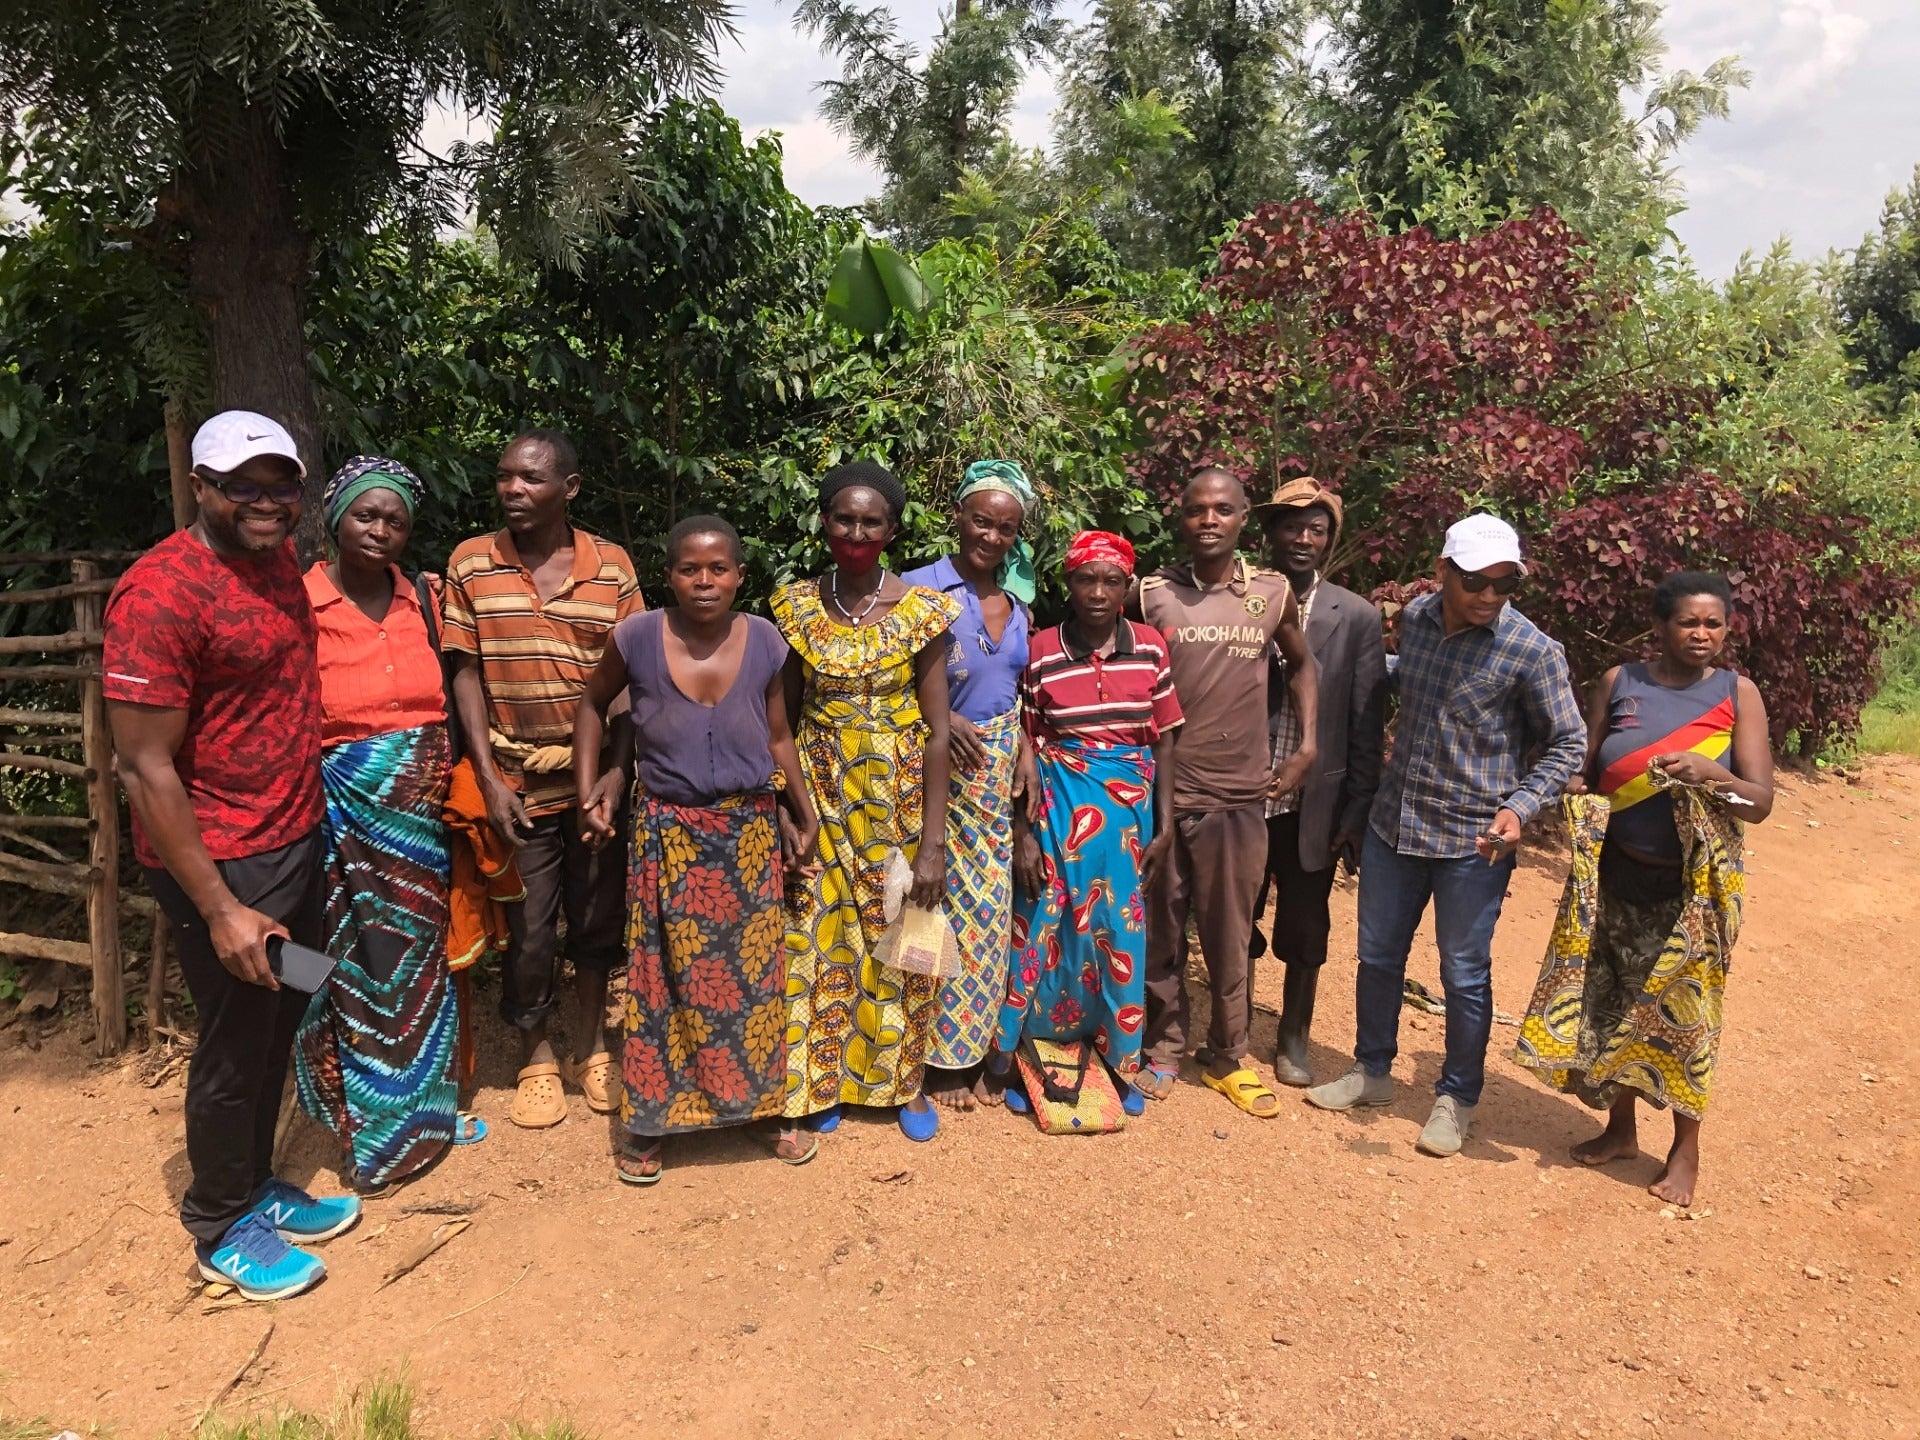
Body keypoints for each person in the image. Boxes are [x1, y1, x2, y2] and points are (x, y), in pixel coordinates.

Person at [105, 410, 360, 1301]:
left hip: (292, 837)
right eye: (240, 486)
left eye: (280, 486)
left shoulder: (276, 559)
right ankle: (219, 1223)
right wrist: (219, 908)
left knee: (284, 1015)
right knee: (234, 1039)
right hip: (222, 863)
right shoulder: (159, 595)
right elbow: (144, 766)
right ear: (199, 487)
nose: (264, 501)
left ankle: (255, 1184)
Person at [1306, 513, 1586, 1158]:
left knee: (1462, 973)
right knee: (1378, 956)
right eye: (1476, 581)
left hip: (1474, 840)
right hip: (1395, 824)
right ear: (1443, 572)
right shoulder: (1419, 618)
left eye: (1504, 584)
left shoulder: (1532, 650)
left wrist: (1521, 807)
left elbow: (1569, 742)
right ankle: (1372, 1071)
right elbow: (1411, 680)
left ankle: (1456, 1098)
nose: (1489, 595)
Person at [573, 516, 821, 1183]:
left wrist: (804, 812)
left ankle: (760, 1109)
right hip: (668, 835)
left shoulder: (765, 639)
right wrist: (588, 789)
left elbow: (778, 736)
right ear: (670, 576)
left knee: (752, 981)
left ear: (739, 575)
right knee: (659, 981)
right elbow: (592, 706)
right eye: (689, 569)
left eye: (718, 569)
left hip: (748, 834)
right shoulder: (636, 637)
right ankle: (651, 1123)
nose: (704, 581)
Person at [1513, 571, 1772, 1207]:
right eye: (1688, 622)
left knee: (1687, 1016)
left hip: (1693, 891)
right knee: (1613, 1001)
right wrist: (1569, 789)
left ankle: (1685, 1149)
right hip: (1615, 874)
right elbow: (1586, 764)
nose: (1702, 634)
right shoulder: (1620, 683)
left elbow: (1760, 803)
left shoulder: (1737, 694)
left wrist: (1712, 774)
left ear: (1727, 627)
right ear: (1660, 626)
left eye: (1714, 623)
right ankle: (1621, 1129)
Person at [440, 429, 644, 1129]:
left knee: (596, 916)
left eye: (530, 478)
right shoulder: (472, 562)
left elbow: (630, 681)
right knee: (527, 928)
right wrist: (488, 778)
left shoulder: (611, 566)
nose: (512, 489)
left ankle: (592, 1043)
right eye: (504, 477)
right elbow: (465, 673)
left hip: (590, 780)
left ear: (570, 488)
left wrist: (615, 774)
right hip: (516, 781)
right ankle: (535, 1049)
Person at [292, 456, 473, 1193]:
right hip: (336, 815)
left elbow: (452, 694)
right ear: (336, 520)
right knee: (344, 963)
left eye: (395, 520)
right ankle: (369, 1129)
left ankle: (429, 1113)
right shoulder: (298, 600)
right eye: (366, 515)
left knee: (419, 959)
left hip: (418, 820)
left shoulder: (423, 598)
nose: (380, 530)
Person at [773, 461, 961, 1144]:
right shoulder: (795, 607)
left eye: (871, 522)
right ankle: (822, 1081)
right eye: (844, 519)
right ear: (824, 523)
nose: (856, 533)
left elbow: (938, 731)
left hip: (898, 803)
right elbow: (781, 721)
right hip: (820, 795)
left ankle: (904, 1083)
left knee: (905, 937)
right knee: (819, 939)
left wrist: (933, 842)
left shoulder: (922, 612)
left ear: (891, 530)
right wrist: (789, 809)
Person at [1134, 468, 1318, 1117]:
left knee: (1230, 934)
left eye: (1222, 509)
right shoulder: (1151, 594)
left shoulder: (1271, 592)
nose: (1208, 520)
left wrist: (1307, 747)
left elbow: (1303, 664)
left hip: (1239, 797)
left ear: (1242, 518)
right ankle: (1163, 1045)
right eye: (1196, 510)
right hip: (1161, 794)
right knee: (1160, 930)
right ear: (1181, 518)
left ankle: (1227, 1054)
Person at [996, 530, 1180, 1102]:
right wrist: (1023, 831)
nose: (1098, 592)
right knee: (1046, 929)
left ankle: (1118, 1059)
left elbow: (1164, 739)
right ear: (1068, 584)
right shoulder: (1040, 650)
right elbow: (1025, 746)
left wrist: (1166, 825)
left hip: (1128, 824)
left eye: (1111, 581)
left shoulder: (1150, 646)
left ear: (1127, 586)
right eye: (1085, 579)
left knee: (1116, 933)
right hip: (1057, 813)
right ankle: (1028, 1052)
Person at [901, 459, 1040, 1110]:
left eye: (1005, 528)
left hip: (993, 777)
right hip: (932, 770)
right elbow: (884, 680)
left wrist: (1026, 750)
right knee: (926, 907)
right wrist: (941, 715)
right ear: (957, 516)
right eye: (981, 521)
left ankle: (967, 1049)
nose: (992, 536)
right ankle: (920, 1054)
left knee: (986, 915)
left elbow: (1015, 692)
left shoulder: (1019, 605)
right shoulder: (915, 588)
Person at [1250, 478, 1388, 1087]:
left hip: (1314, 802)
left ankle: (1293, 1035)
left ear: (1330, 539)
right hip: (1244, 793)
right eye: (1292, 526)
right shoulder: (1242, 598)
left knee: (1305, 925)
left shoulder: (1355, 615)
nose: (1303, 539)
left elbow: (1365, 720)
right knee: (1237, 912)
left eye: (1317, 529)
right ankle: (1232, 1025)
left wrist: (1356, 811)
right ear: (1271, 532)